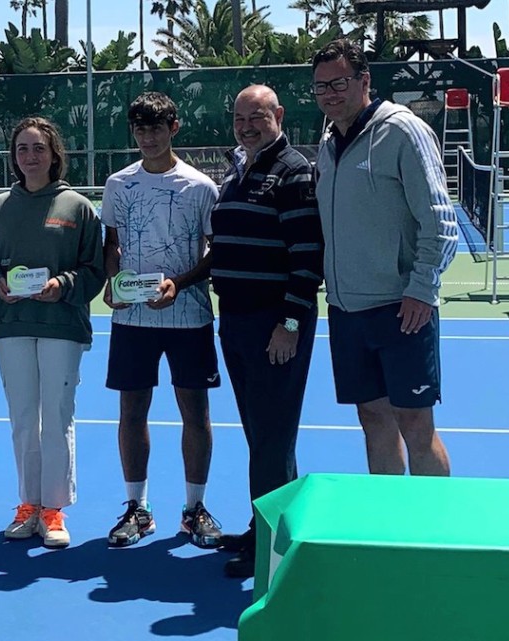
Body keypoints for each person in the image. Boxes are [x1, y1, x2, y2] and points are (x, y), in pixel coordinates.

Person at [311, 39, 457, 477]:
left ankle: (435, 536)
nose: (330, 94)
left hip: (401, 311)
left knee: (416, 425)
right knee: (373, 422)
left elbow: (440, 223)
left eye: (339, 82)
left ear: (364, 80)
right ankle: (389, 531)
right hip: (346, 309)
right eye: (320, 87)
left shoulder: (404, 131)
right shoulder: (328, 142)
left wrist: (420, 290)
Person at [0, 117, 105, 549]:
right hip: (11, 326)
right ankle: (28, 503)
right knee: (24, 420)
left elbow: (94, 271)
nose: (30, 156)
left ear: (54, 154)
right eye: (23, 149)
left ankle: (54, 509)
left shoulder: (78, 207)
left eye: (39, 148)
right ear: (14, 156)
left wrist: (62, 286)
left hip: (62, 325)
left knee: (57, 418)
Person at [210, 84, 323, 578]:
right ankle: (270, 528)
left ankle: (273, 548)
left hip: (274, 325)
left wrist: (290, 323)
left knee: (273, 438)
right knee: (261, 435)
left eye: (256, 117)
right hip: (235, 322)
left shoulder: (294, 171)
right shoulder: (240, 169)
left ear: (277, 114)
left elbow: (307, 258)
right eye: (239, 118)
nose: (247, 126)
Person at [102, 91, 223, 549]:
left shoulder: (200, 187)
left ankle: (195, 510)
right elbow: (110, 244)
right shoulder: (118, 184)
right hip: (132, 321)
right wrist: (113, 283)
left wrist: (180, 283)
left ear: (173, 128)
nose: (147, 137)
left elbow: (214, 252)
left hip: (189, 318)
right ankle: (137, 508)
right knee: (131, 411)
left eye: (156, 128)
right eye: (139, 128)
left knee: (196, 412)